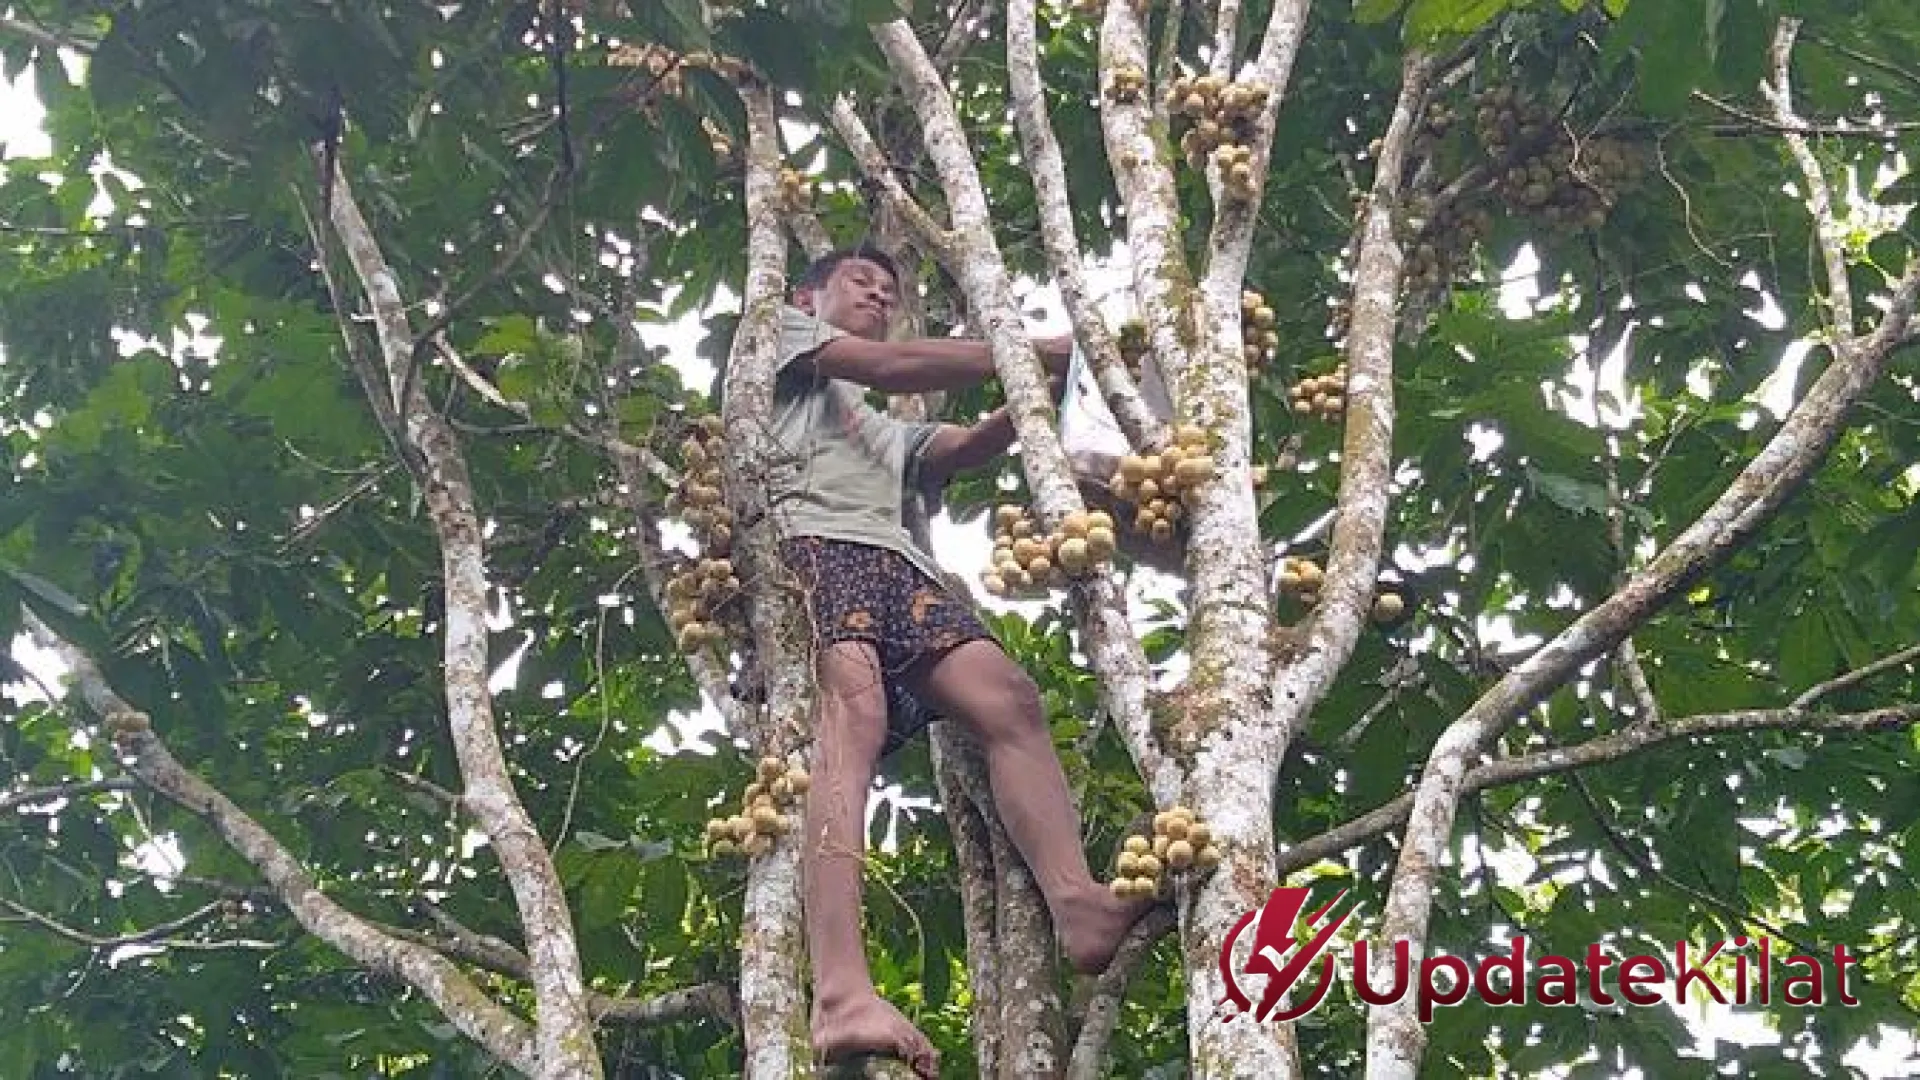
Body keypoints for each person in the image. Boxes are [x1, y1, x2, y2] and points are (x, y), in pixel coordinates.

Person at [752, 245, 1154, 1076]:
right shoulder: (780, 335)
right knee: (851, 722)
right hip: (808, 546)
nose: (878, 295)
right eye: (860, 282)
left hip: (895, 562)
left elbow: (962, 447)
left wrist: (1051, 392)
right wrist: (1044, 349)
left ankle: (1077, 902)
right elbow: (894, 363)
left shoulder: (872, 423)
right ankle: (839, 992)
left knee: (1009, 700)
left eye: (890, 291)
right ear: (809, 295)